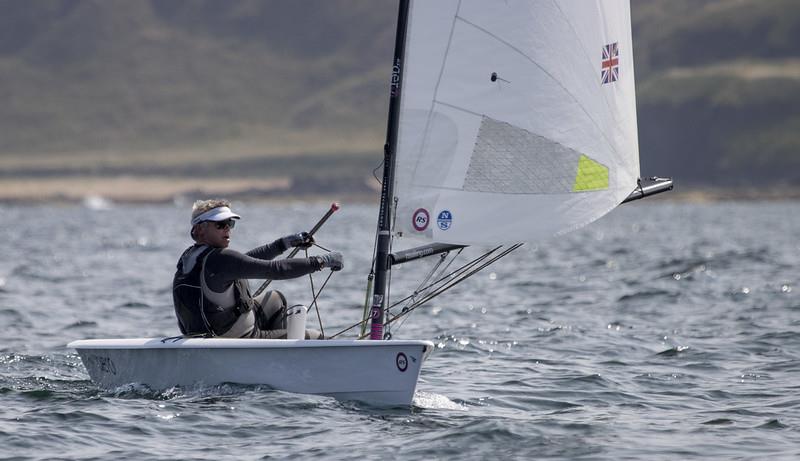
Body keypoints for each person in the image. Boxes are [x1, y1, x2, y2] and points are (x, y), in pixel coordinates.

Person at [172, 199, 343, 339]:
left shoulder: (191, 256)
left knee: (275, 298)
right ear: (200, 230)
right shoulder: (221, 259)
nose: (227, 229)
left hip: (205, 333)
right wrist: (322, 261)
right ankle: (274, 354)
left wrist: (283, 244)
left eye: (230, 223)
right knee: (315, 337)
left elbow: (247, 261)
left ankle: (278, 349)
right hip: (237, 338)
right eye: (220, 224)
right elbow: (277, 270)